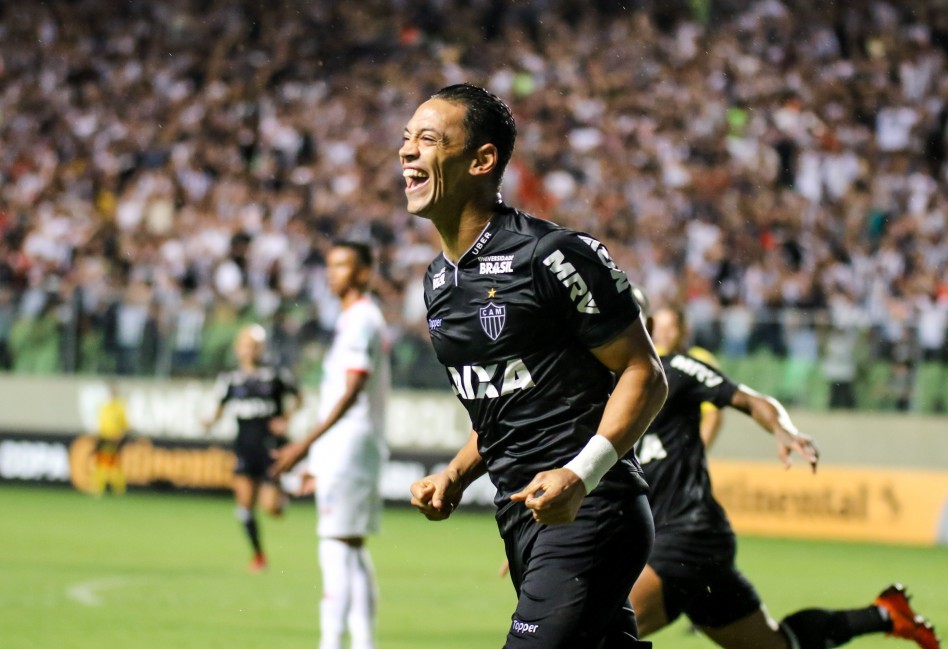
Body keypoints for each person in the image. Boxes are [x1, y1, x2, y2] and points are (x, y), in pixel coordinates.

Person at [402, 83, 668, 648]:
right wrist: (455, 473)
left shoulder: (553, 255)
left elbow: (644, 372)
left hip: (592, 509)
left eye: (426, 139)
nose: (406, 152)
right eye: (406, 139)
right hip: (523, 514)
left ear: (482, 160)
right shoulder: (437, 281)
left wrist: (580, 474)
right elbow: (504, 405)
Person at [628, 303, 940, 649]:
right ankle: (885, 615)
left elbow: (748, 399)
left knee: (603, 628)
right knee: (778, 646)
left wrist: (783, 429)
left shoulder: (676, 369)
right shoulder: (605, 387)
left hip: (687, 532)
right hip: (681, 540)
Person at [271, 240, 390, 649]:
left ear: (363, 273)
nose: (331, 273)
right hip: (350, 448)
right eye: (330, 265)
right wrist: (316, 459)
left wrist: (304, 446)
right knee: (352, 547)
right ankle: (362, 643)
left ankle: (330, 643)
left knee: (335, 546)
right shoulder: (356, 319)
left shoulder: (360, 319)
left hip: (350, 447)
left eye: (342, 266)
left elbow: (351, 391)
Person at [203, 324, 301, 572]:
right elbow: (219, 408)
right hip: (245, 447)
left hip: (270, 448)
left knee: (271, 508)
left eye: (254, 345)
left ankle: (282, 496)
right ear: (238, 348)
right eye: (246, 345)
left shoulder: (275, 375)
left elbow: (299, 397)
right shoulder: (230, 379)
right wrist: (209, 422)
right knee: (244, 507)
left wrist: (285, 420)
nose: (249, 350)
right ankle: (258, 555)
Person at [640, 295, 723, 450]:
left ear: (683, 329)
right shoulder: (648, 358)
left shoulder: (700, 360)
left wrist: (696, 455)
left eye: (670, 328)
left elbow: (713, 415)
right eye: (659, 328)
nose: (663, 334)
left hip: (682, 449)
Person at [91, 383, 129, 496]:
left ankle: (118, 489)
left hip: (115, 438)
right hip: (105, 437)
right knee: (103, 464)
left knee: (113, 465)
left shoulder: (119, 407)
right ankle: (99, 488)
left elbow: (125, 424)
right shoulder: (104, 407)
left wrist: (120, 435)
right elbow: (101, 424)